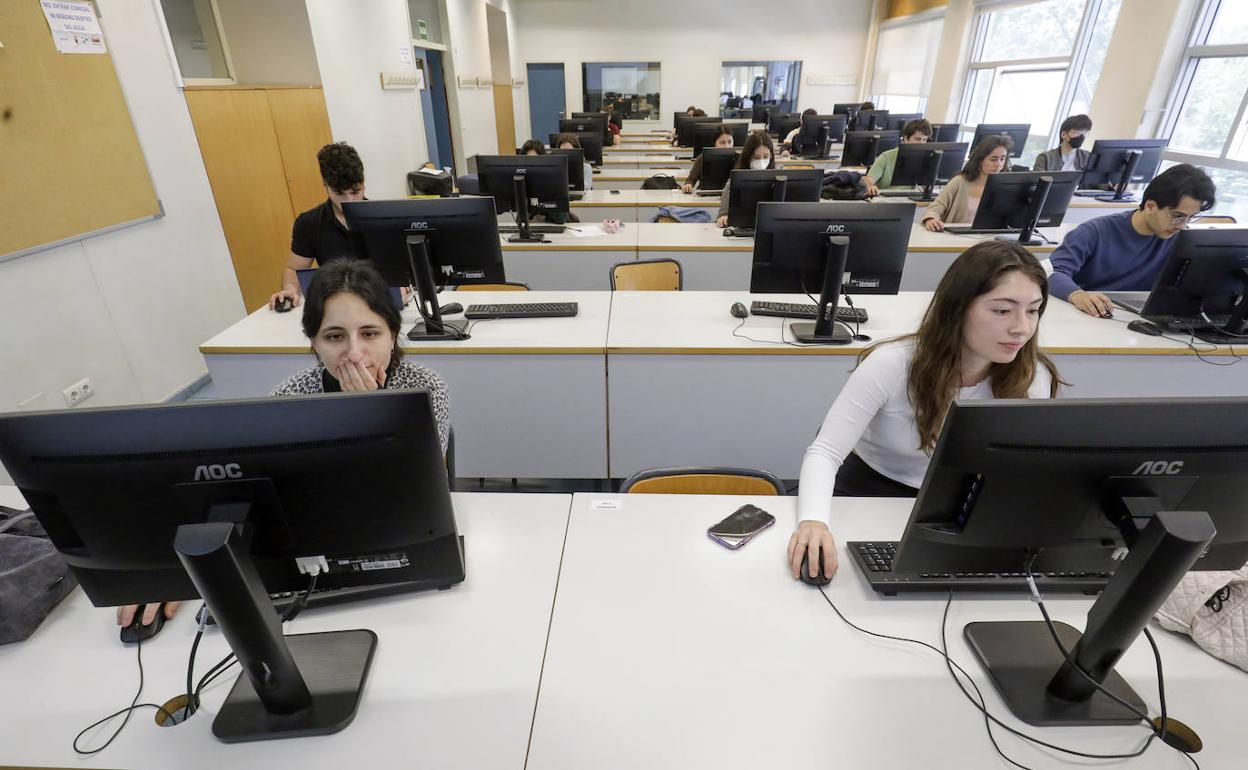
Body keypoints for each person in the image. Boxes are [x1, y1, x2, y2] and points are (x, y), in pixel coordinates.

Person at [116, 260, 452, 630]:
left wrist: (370, 414)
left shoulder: (424, 388)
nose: (354, 353)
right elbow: (260, 499)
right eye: (335, 336)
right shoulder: (291, 396)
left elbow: (418, 495)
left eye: (370, 333)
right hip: (316, 560)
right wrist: (181, 571)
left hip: (401, 555)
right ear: (313, 341)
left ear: (392, 334)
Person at [788, 241, 1062, 581]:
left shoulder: (1032, 376)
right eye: (1002, 311)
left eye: (1034, 310)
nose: (1021, 327)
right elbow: (826, 451)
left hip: (960, 507)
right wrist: (813, 521)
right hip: (869, 490)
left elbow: (1027, 469)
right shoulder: (893, 364)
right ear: (959, 308)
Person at [1049, 164, 1217, 317]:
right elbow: (1051, 273)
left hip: (1139, 316)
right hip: (1092, 315)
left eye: (1190, 218)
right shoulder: (1093, 232)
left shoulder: (1181, 241)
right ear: (1150, 206)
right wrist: (1077, 295)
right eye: (1177, 216)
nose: (1182, 225)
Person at [268, 142, 367, 311]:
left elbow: (405, 269)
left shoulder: (385, 217)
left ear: (363, 183)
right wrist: (290, 290)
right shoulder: (309, 223)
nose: (349, 201)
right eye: (339, 194)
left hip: (379, 302)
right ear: (325, 185)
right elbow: (294, 269)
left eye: (355, 192)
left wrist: (405, 286)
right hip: (335, 305)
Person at [921, 134, 1012, 231]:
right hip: (955, 238)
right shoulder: (959, 182)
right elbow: (935, 208)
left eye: (1002, 159)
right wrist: (931, 219)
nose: (999, 164)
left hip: (988, 239)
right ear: (980, 160)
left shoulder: (1004, 188)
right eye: (993, 159)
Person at [714, 131, 776, 227]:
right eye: (756, 157)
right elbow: (723, 213)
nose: (761, 161)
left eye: (765, 157)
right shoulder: (734, 181)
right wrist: (723, 216)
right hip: (740, 230)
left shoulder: (779, 179)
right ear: (748, 156)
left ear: (771, 156)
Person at [862, 118, 933, 196]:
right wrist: (870, 186)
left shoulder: (926, 159)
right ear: (906, 139)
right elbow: (868, 179)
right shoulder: (886, 157)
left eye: (924, 140)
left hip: (911, 199)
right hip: (886, 200)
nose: (922, 143)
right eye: (918, 139)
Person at [681, 125, 736, 193]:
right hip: (705, 198)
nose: (727, 146)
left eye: (730, 142)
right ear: (714, 143)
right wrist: (688, 185)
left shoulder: (739, 158)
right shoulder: (703, 157)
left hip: (729, 198)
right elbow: (691, 179)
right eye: (722, 142)